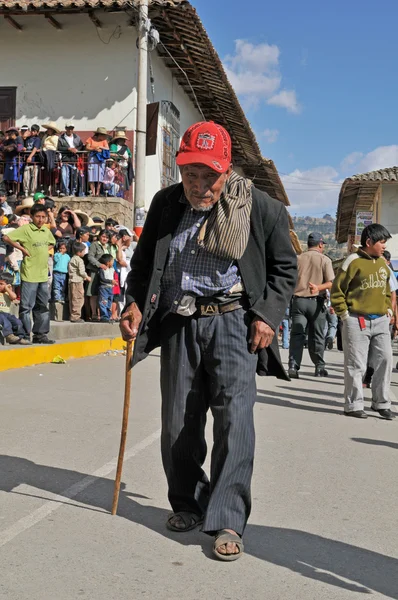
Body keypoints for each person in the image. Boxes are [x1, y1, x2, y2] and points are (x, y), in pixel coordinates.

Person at [120, 121, 297, 561]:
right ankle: (188, 502)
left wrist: (268, 317)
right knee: (178, 420)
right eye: (190, 174)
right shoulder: (166, 204)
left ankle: (228, 518)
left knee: (236, 421)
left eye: (209, 176)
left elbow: (283, 271)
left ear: (227, 168)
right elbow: (143, 267)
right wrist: (135, 304)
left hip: (235, 322)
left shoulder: (262, 208)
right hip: (180, 320)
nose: (199, 186)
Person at [331, 224, 395, 420]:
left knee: (385, 360)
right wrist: (344, 315)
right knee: (356, 364)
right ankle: (354, 404)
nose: (384, 246)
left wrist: (389, 310)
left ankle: (381, 403)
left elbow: (386, 290)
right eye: (381, 242)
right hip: (356, 320)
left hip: (381, 321)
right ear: (369, 242)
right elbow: (337, 290)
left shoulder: (383, 263)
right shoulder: (352, 261)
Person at [2, 203, 55, 344]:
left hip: (43, 274)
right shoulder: (25, 229)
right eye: (38, 216)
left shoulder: (45, 231)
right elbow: (6, 238)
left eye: (43, 217)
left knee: (43, 307)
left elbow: (52, 243)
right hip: (29, 274)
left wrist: (43, 250)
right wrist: (23, 249)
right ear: (32, 217)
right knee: (26, 307)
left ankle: (40, 334)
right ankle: (25, 334)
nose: (41, 219)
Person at [288, 233, 335, 378]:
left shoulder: (297, 259)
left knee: (297, 334)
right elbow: (331, 283)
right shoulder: (324, 260)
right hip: (316, 302)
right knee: (317, 336)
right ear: (320, 244)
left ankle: (293, 366)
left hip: (298, 302)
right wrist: (319, 287)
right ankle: (319, 367)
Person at [0, 271, 30, 345]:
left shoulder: (8, 293)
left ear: (8, 285)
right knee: (5, 321)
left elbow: (14, 297)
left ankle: (20, 337)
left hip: (7, 314)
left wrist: (7, 289)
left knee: (17, 321)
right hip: (0, 314)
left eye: (1, 284)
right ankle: (9, 336)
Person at [86, 229, 110, 320]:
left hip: (105, 273)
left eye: (107, 237)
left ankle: (103, 313)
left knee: (103, 294)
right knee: (93, 293)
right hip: (95, 271)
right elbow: (90, 257)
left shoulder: (108, 246)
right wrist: (99, 265)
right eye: (103, 236)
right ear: (99, 236)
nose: (105, 239)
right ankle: (94, 313)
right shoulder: (94, 244)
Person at [58, 123, 84, 197]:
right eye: (69, 128)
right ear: (66, 128)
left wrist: (76, 149)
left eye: (72, 128)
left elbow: (81, 146)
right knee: (64, 176)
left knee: (74, 177)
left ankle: (73, 192)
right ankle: (65, 191)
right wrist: (68, 148)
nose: (70, 130)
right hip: (65, 159)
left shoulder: (77, 137)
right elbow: (59, 147)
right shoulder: (61, 138)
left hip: (74, 159)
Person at [68, 241, 91, 323]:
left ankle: (73, 315)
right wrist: (87, 277)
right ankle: (76, 316)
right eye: (84, 251)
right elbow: (81, 272)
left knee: (73, 298)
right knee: (78, 299)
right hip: (77, 282)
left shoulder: (72, 259)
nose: (84, 253)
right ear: (79, 252)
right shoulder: (79, 260)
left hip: (72, 281)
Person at [85, 127, 110, 197]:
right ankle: (93, 192)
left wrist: (101, 148)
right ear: (99, 134)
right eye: (103, 135)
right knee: (91, 175)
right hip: (92, 159)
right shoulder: (90, 139)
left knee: (100, 175)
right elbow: (87, 147)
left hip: (100, 159)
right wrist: (94, 149)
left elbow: (107, 148)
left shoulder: (104, 141)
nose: (104, 137)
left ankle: (97, 192)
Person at [109, 131, 134, 197]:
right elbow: (112, 154)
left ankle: (122, 195)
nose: (124, 141)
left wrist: (127, 158)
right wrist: (120, 156)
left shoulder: (126, 147)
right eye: (122, 139)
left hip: (124, 167)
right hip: (116, 166)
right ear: (118, 139)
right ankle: (115, 194)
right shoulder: (113, 146)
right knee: (116, 181)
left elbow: (129, 155)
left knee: (123, 183)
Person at [23, 124, 41, 197]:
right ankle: (26, 190)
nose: (33, 132)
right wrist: (25, 136)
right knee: (26, 176)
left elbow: (35, 148)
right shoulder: (27, 139)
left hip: (34, 161)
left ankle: (33, 191)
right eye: (32, 131)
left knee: (34, 176)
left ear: (37, 132)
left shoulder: (37, 139)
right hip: (26, 161)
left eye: (34, 131)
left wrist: (30, 156)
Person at [98, 253, 115, 323]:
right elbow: (102, 279)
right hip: (104, 288)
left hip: (110, 289)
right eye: (112, 261)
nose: (113, 263)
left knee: (109, 303)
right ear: (108, 262)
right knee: (103, 302)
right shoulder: (102, 269)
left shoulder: (112, 269)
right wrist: (111, 281)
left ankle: (108, 316)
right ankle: (104, 316)